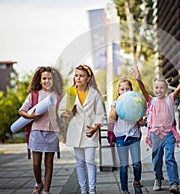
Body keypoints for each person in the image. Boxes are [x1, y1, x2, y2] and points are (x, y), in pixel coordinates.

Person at [130, 67, 180, 194]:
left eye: (161, 88)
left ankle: (174, 183)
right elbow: (143, 90)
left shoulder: (169, 98)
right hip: (155, 135)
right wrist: (138, 79)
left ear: (166, 89)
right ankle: (158, 178)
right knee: (157, 159)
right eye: (156, 88)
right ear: (154, 89)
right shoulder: (151, 101)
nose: (159, 90)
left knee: (170, 158)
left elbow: (179, 88)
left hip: (169, 134)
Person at [58, 64, 105, 194]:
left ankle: (92, 190)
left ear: (88, 78)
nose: (78, 78)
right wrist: (68, 113)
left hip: (90, 132)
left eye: (82, 76)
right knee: (80, 163)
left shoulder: (95, 94)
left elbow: (100, 114)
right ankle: (83, 190)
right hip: (75, 132)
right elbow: (60, 111)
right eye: (77, 75)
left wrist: (96, 127)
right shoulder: (71, 92)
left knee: (90, 162)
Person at [19, 66, 64, 194]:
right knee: (36, 164)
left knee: (49, 164)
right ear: (40, 80)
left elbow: (60, 114)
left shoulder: (58, 96)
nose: (47, 81)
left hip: (52, 133)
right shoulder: (34, 95)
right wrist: (30, 116)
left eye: (50, 78)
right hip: (37, 131)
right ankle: (38, 183)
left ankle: (46, 191)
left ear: (53, 81)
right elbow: (21, 110)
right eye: (44, 78)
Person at [108, 77, 144, 194]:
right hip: (120, 138)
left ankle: (137, 182)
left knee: (137, 164)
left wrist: (142, 121)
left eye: (127, 89)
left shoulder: (135, 102)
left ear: (131, 90)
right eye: (122, 89)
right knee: (124, 166)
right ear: (118, 91)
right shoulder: (115, 103)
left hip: (133, 136)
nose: (125, 91)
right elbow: (112, 119)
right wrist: (118, 105)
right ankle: (124, 189)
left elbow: (140, 121)